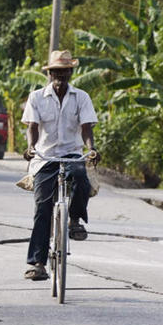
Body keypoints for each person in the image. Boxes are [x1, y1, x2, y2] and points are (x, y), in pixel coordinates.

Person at [21, 50, 101, 282]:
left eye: (64, 71)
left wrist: (91, 148)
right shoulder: (36, 97)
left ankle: (74, 220)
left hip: (71, 154)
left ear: (70, 72)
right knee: (42, 209)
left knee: (82, 179)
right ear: (50, 73)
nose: (60, 75)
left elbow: (86, 127)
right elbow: (32, 127)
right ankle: (37, 263)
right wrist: (31, 147)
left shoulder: (81, 97)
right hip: (45, 157)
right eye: (56, 71)